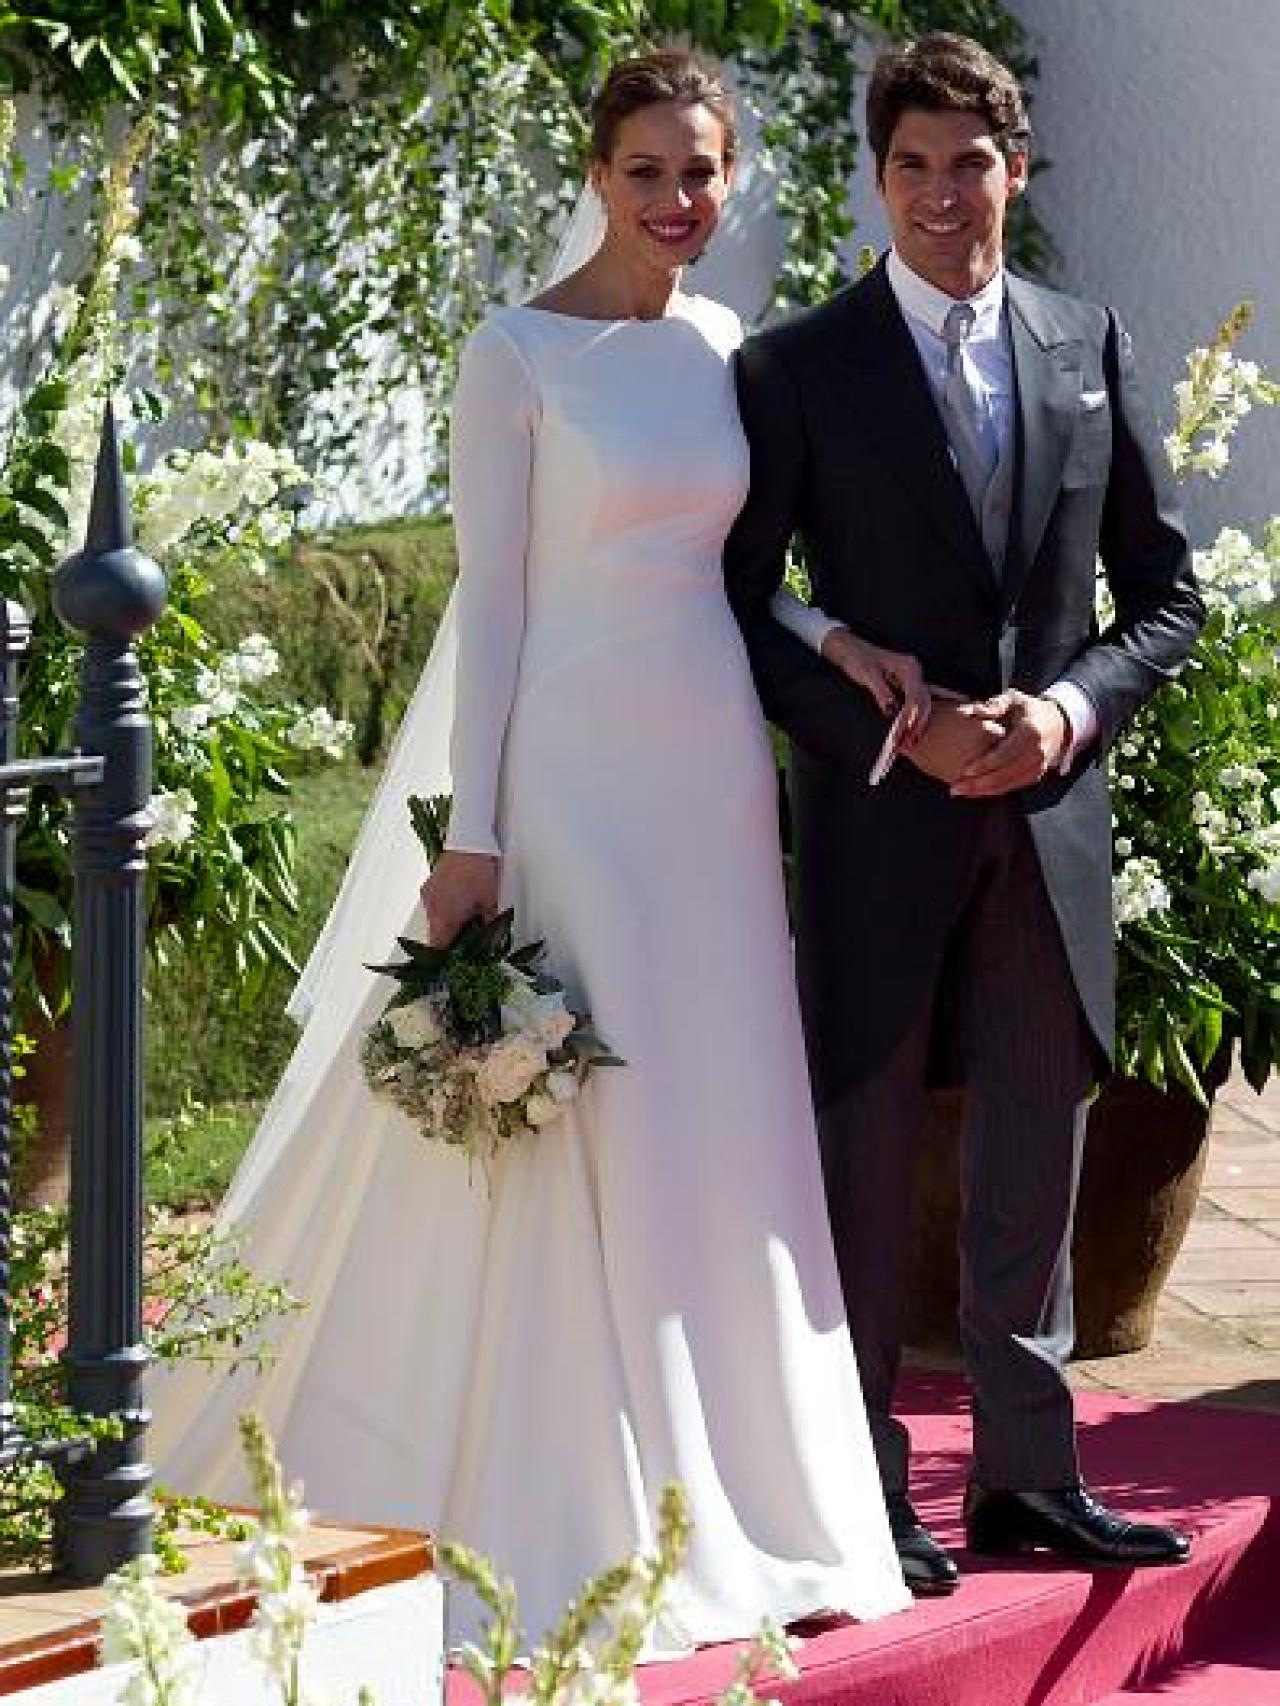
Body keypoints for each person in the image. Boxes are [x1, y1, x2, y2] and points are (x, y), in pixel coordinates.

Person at [149, 50, 918, 1647]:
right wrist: (475, 835)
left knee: (713, 1099)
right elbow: (490, 606)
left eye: (702, 172)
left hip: (710, 773)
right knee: (588, 1101)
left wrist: (835, 640)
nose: (678, 202)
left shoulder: (725, 349)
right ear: (598, 172)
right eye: (647, 172)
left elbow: (739, 574)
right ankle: (573, 1487)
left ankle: (751, 1483)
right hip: (572, 774)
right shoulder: (516, 355)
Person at [723, 31, 1205, 1597]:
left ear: (1015, 171)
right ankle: (864, 1484)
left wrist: (1062, 714)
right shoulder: (797, 367)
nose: (944, 194)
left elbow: (1166, 595)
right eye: (913, 165)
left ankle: (1030, 1481)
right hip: (880, 833)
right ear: (879, 179)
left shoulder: (1088, 338)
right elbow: (738, 600)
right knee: (863, 1169)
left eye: (971, 163)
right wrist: (897, 740)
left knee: (1029, 1172)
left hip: (1045, 832)